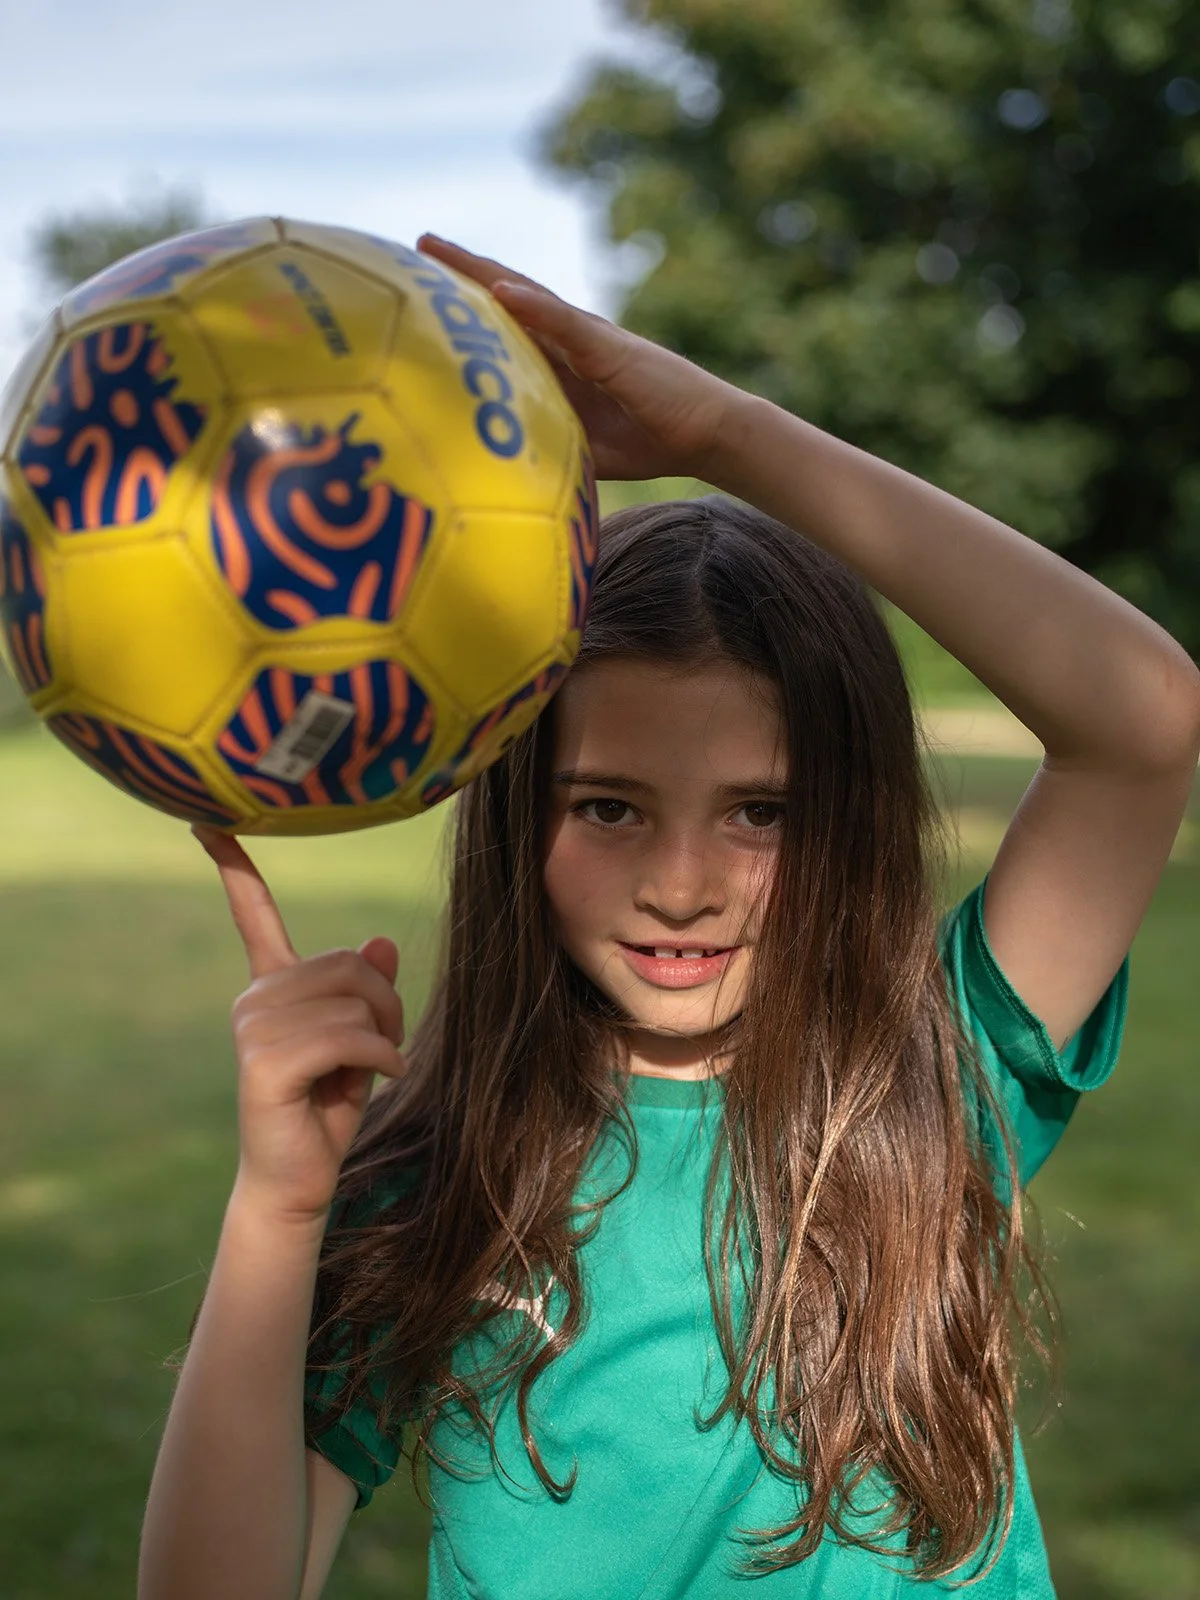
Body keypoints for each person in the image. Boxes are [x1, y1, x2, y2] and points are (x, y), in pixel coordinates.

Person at [136, 234, 1200, 1600]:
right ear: (522, 824)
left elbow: (1143, 720)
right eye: (611, 809)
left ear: (852, 821)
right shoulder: (433, 1176)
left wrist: (728, 434)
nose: (683, 884)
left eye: (761, 812)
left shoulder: (933, 1077)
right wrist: (279, 1208)